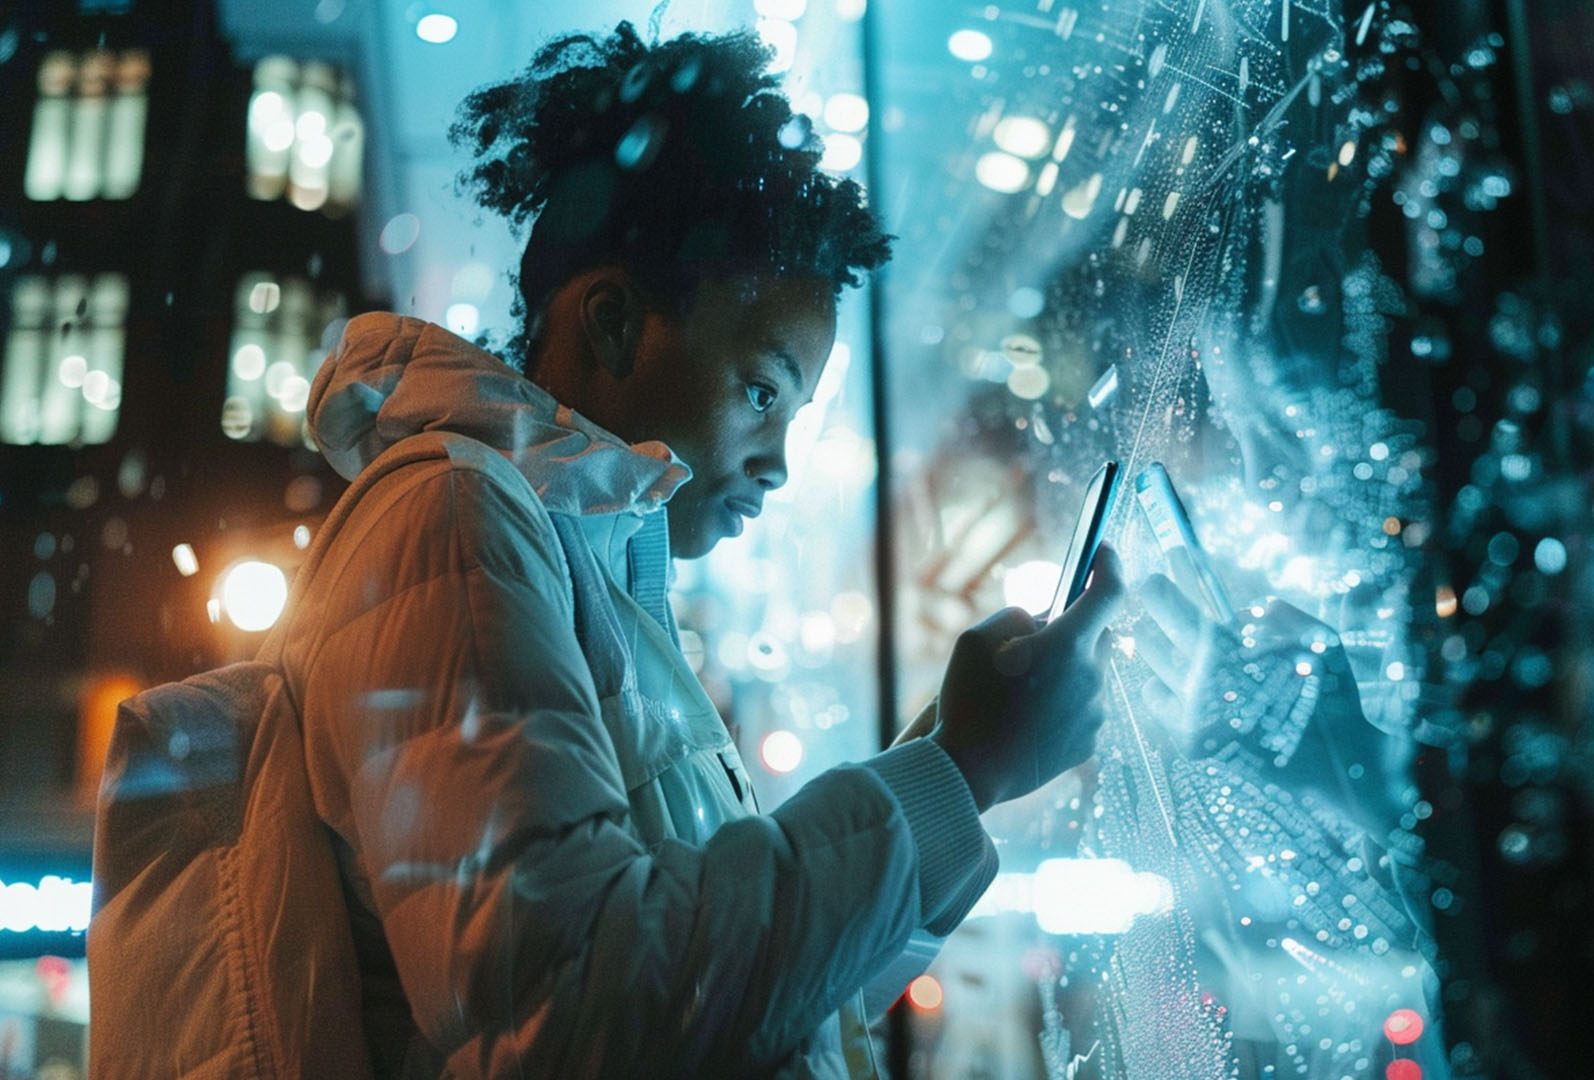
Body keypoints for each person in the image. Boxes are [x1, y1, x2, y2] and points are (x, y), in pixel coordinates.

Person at [145, 26, 1124, 1079]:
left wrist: (948, 754)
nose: (779, 462)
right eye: (762, 391)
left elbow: (737, 1004)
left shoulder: (574, 569)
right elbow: (574, 1013)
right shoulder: (457, 522)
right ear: (613, 324)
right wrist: (960, 770)